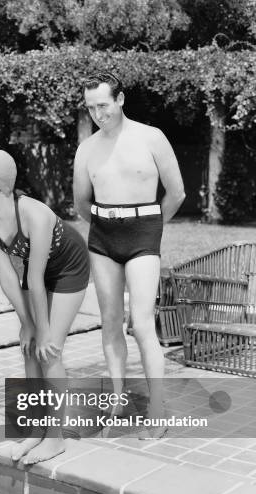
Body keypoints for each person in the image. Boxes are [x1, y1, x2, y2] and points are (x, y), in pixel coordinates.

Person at [73, 71, 185, 438]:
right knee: (110, 320)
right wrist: (110, 222)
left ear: (120, 100)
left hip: (143, 234)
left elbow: (177, 192)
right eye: (91, 108)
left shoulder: (151, 137)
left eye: (103, 105)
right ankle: (118, 400)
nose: (97, 114)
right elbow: (81, 203)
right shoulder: (87, 148)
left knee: (140, 321)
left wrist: (150, 226)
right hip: (103, 236)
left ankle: (157, 407)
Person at [0, 150, 90, 463]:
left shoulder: (35, 214)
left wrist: (43, 330)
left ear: (3, 190)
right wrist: (27, 323)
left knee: (49, 351)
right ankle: (36, 428)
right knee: (29, 349)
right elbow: (8, 277)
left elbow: (35, 278)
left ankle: (55, 438)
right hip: (35, 275)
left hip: (68, 269)